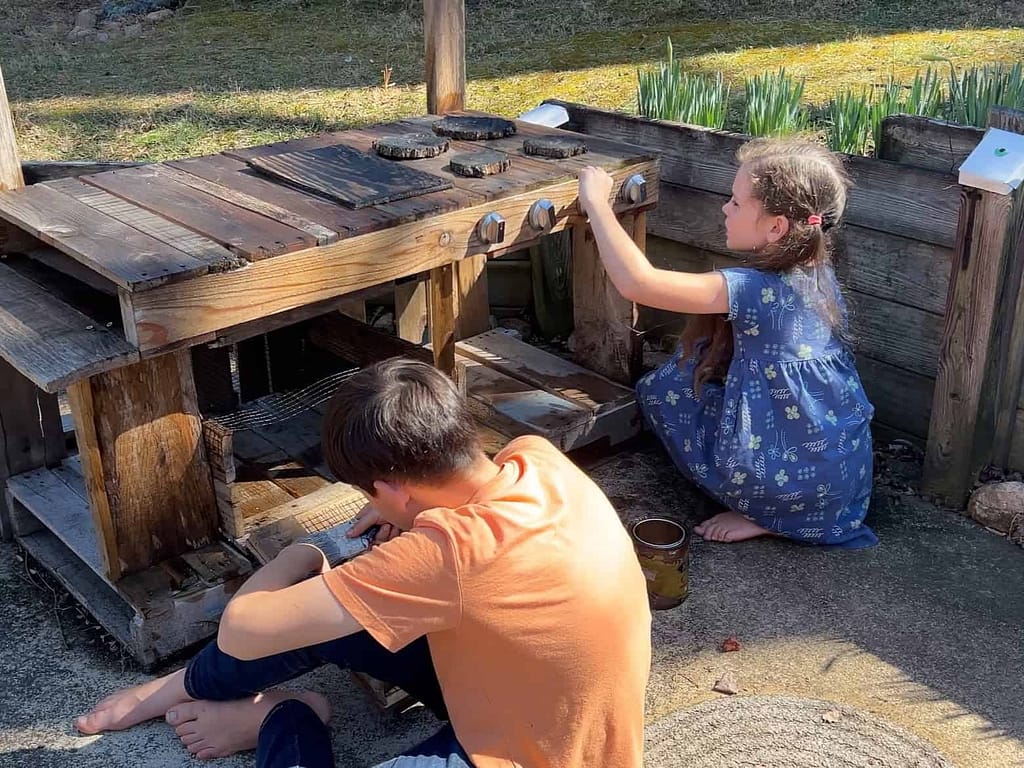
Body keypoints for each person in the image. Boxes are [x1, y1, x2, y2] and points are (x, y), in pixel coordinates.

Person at [74, 358, 652, 767]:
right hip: (542, 705)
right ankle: (187, 683)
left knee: (308, 605)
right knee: (333, 610)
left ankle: (285, 718)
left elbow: (243, 630)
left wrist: (311, 552)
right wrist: (408, 519)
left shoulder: (445, 554)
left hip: (535, 755)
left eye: (370, 496)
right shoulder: (535, 459)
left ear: (393, 488)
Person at [578, 138, 877, 548]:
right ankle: (790, 502)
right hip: (841, 474)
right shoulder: (818, 268)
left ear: (776, 227)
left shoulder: (755, 288)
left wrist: (596, 203)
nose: (725, 208)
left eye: (736, 203)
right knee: (694, 366)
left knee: (663, 391)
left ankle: (768, 512)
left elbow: (637, 282)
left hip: (792, 483)